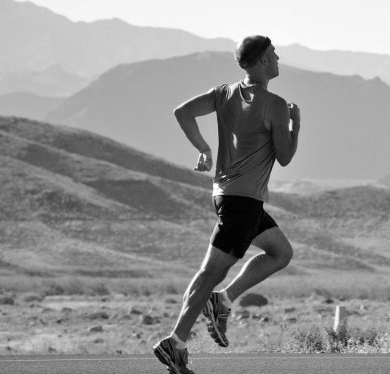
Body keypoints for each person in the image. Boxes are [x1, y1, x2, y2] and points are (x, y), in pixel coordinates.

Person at [153, 35, 300, 374]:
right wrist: (297, 125)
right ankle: (175, 341)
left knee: (281, 252)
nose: (278, 60)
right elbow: (286, 157)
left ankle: (223, 299)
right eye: (274, 55)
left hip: (228, 195)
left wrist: (204, 148)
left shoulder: (223, 93)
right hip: (243, 201)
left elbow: (183, 112)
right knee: (210, 271)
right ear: (262, 60)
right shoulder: (275, 105)